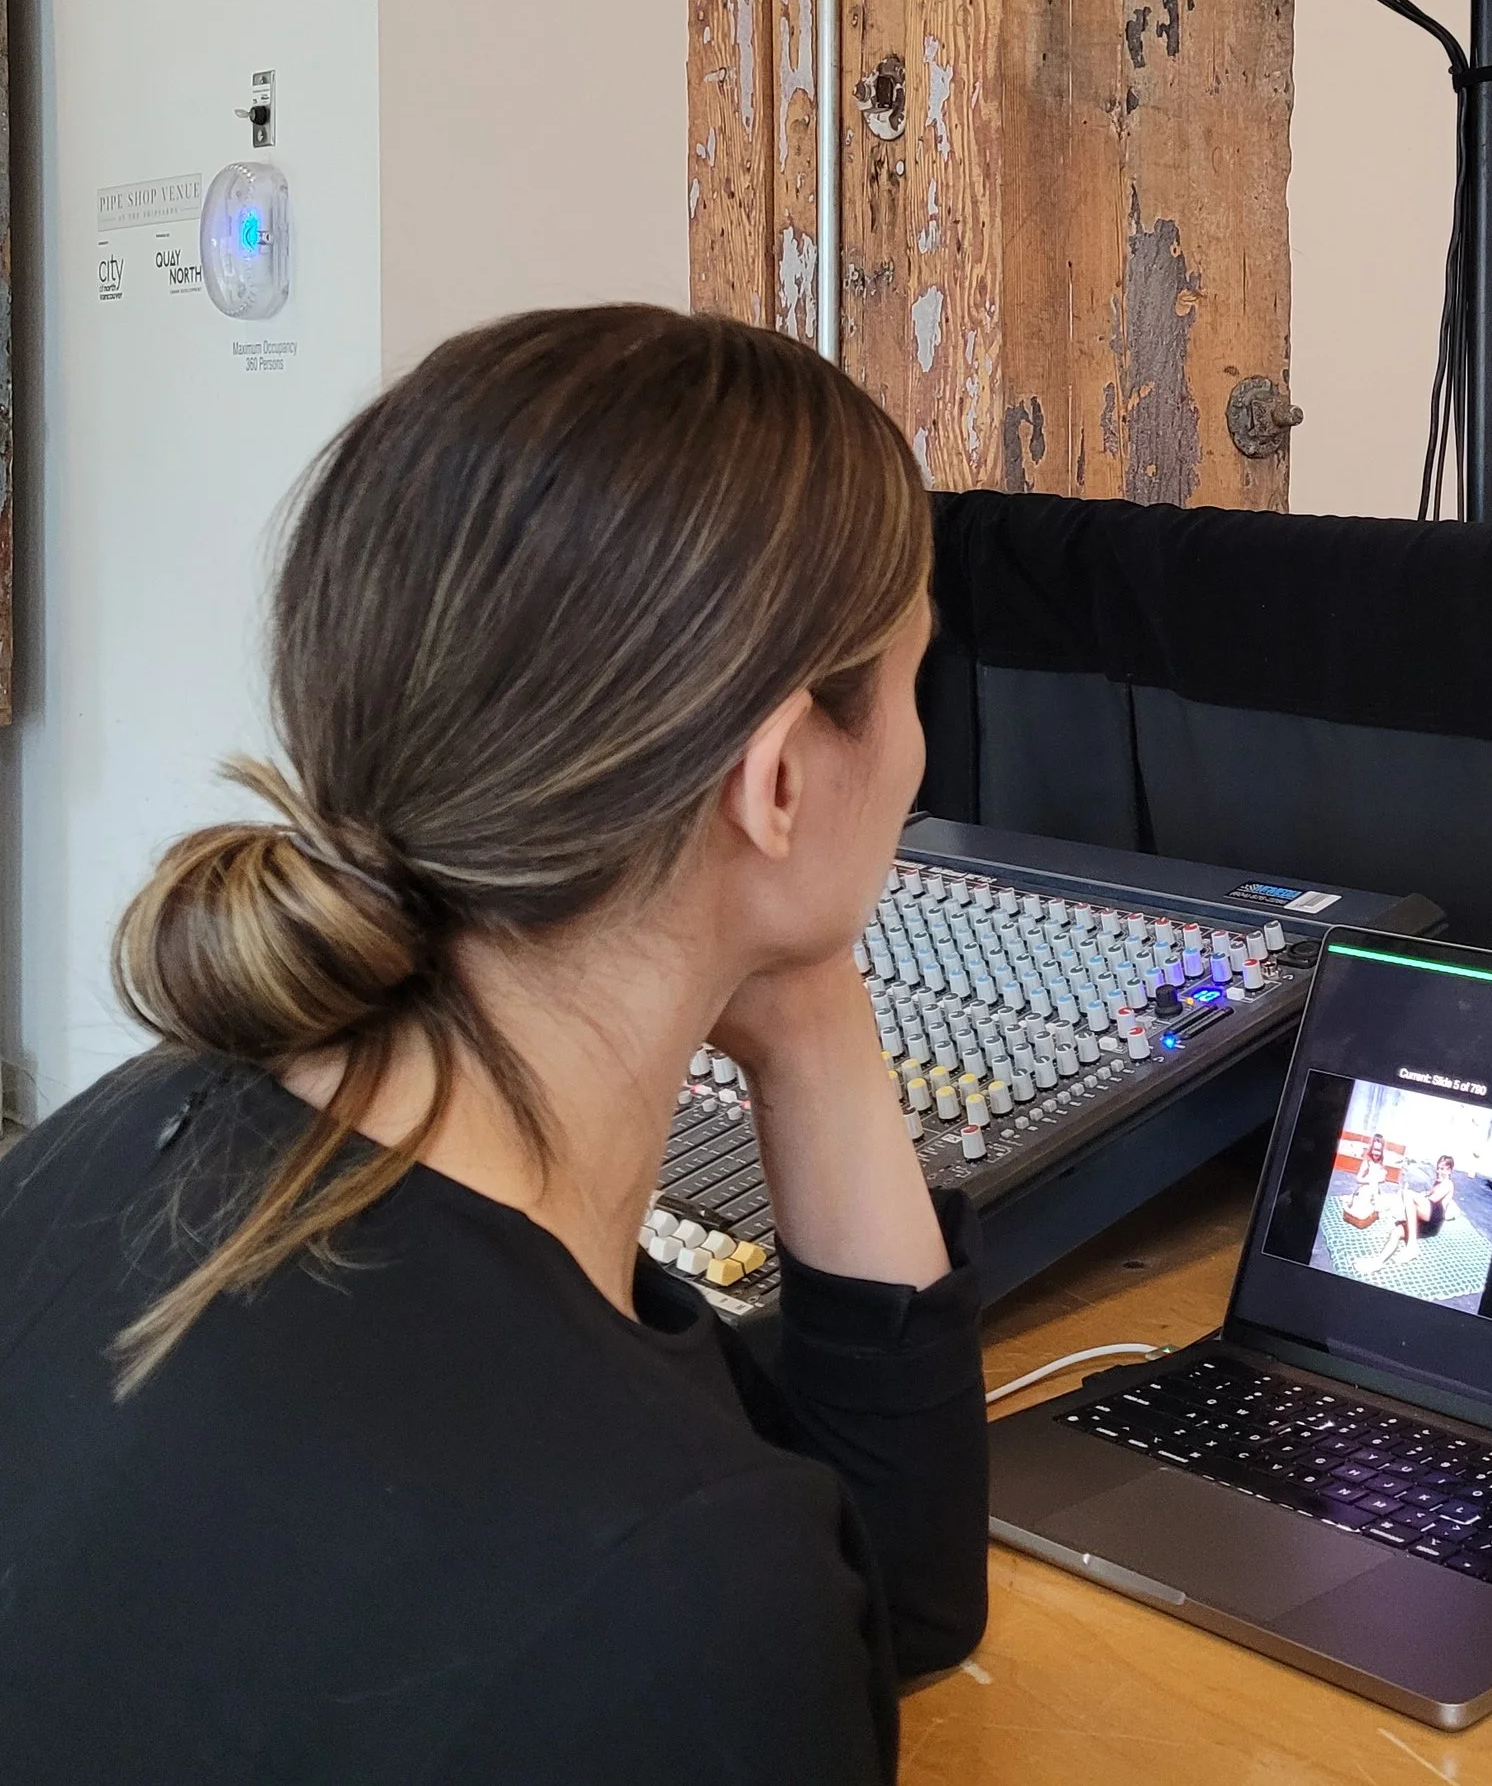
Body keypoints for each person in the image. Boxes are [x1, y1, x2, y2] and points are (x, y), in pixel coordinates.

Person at [0, 307, 986, 1785]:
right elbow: (801, 1623)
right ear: (777, 779)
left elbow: (886, 1598)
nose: (917, 751)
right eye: (915, 681)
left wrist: (803, 1002)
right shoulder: (674, 1592)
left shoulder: (114, 1146)